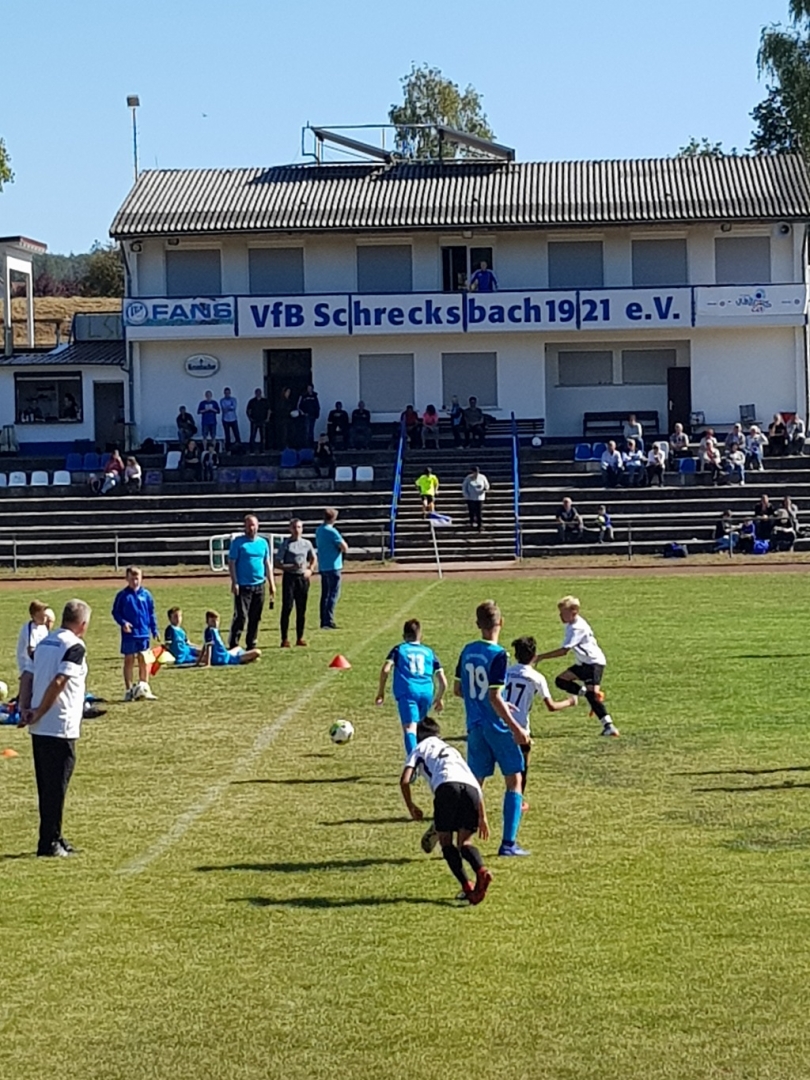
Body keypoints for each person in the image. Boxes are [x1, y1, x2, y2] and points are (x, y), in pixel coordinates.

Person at [454, 600, 530, 857]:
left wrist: (483, 702)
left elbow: (458, 689)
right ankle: (508, 843)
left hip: (474, 726)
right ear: (501, 622)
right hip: (497, 726)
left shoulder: (467, 650)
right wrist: (516, 728)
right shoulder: (499, 655)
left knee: (474, 783)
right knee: (514, 780)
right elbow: (494, 696)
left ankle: (459, 833)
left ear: (478, 624)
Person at [17, 599, 91, 857]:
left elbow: (27, 675)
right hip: (59, 724)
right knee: (56, 786)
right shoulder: (75, 646)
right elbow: (60, 681)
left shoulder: (44, 643)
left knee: (47, 785)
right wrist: (39, 710)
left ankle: (54, 835)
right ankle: (48, 842)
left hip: (39, 726)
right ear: (82, 624)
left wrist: (25, 707)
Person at [400, 717, 492, 905]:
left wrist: (411, 806)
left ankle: (467, 887)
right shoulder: (452, 750)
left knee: (446, 842)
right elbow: (474, 782)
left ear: (419, 736)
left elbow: (405, 780)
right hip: (472, 791)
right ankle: (481, 870)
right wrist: (483, 817)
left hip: (446, 788)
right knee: (465, 842)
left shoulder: (419, 748)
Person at [504, 636, 578, 802]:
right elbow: (551, 706)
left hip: (501, 722)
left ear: (516, 655)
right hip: (521, 727)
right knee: (523, 766)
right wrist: (570, 702)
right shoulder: (536, 677)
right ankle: (518, 800)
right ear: (534, 655)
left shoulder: (506, 672)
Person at [535, 595, 619, 737]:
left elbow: (563, 651)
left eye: (563, 612)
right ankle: (590, 695)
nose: (560, 616)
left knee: (592, 696)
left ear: (574, 612)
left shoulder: (577, 628)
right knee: (561, 680)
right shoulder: (571, 625)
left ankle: (609, 726)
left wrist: (540, 657)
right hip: (584, 663)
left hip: (593, 663)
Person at [376, 619, 447, 757]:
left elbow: (385, 669)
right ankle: (426, 759)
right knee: (419, 725)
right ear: (420, 635)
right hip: (427, 692)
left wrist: (381, 692)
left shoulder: (399, 649)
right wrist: (439, 698)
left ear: (404, 636)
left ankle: (414, 762)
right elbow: (443, 681)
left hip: (408, 692)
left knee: (410, 728)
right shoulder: (429, 652)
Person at [111, 565, 160, 701]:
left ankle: (144, 686)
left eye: (137, 578)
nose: (135, 582)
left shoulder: (146, 595)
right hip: (130, 634)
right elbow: (116, 612)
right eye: (132, 579)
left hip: (143, 633)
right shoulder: (123, 596)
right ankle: (129, 689)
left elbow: (151, 613)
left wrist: (154, 629)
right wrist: (123, 623)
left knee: (144, 660)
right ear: (127, 579)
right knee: (129, 660)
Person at [227, 514, 275, 651]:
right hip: (243, 586)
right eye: (248, 525)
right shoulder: (238, 542)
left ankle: (251, 643)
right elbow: (232, 562)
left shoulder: (263, 543)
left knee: (255, 616)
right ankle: (234, 643)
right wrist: (235, 582)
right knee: (241, 616)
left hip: (259, 585)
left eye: (253, 525)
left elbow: (267, 563)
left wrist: (272, 583)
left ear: (257, 526)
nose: (251, 528)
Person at [277, 518, 317, 647]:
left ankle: (300, 637)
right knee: (287, 608)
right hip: (290, 578)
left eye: (299, 527)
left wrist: (310, 570)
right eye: (294, 527)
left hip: (302, 578)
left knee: (301, 609)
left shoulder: (306, 543)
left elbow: (313, 558)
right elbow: (277, 562)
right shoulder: (286, 544)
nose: (297, 530)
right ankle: (284, 639)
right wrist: (290, 567)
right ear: (290, 529)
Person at [315, 507, 349, 630]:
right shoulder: (332, 531)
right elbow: (344, 547)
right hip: (334, 566)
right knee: (333, 594)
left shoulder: (319, 530)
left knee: (325, 594)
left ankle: (323, 620)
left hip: (323, 565)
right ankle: (328, 620)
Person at [462, 465, 490, 531]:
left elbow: (487, 485)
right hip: (470, 498)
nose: (476, 474)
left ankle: (480, 525)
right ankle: (471, 522)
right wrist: (466, 496)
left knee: (479, 512)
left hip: (480, 498)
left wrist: (485, 489)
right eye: (474, 472)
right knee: (471, 511)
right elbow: (464, 487)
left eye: (477, 472)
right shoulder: (468, 478)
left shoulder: (482, 477)